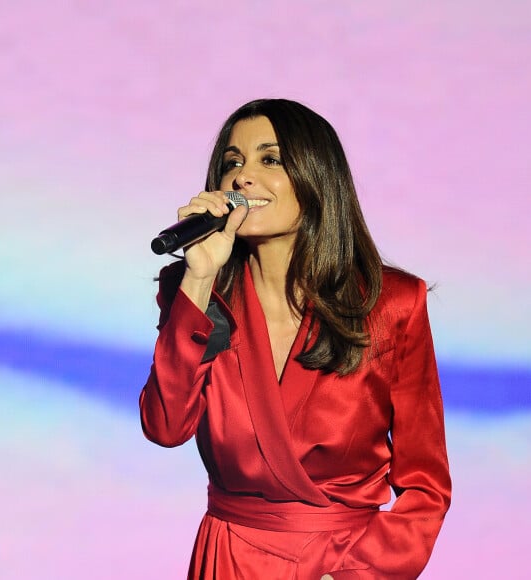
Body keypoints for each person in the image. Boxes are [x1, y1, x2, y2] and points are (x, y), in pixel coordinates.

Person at [140, 98, 451, 579]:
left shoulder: (393, 304)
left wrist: (355, 576)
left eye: (270, 159)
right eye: (233, 163)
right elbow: (165, 427)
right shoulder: (192, 293)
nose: (243, 177)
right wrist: (199, 278)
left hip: (343, 565)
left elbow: (426, 487)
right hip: (229, 560)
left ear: (316, 177)